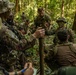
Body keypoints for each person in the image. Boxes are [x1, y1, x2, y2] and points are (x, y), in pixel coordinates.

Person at [0, 0, 45, 71]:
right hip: (5, 65)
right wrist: (34, 36)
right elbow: (19, 45)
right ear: (4, 12)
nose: (11, 12)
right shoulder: (2, 29)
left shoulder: (4, 23)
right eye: (9, 10)